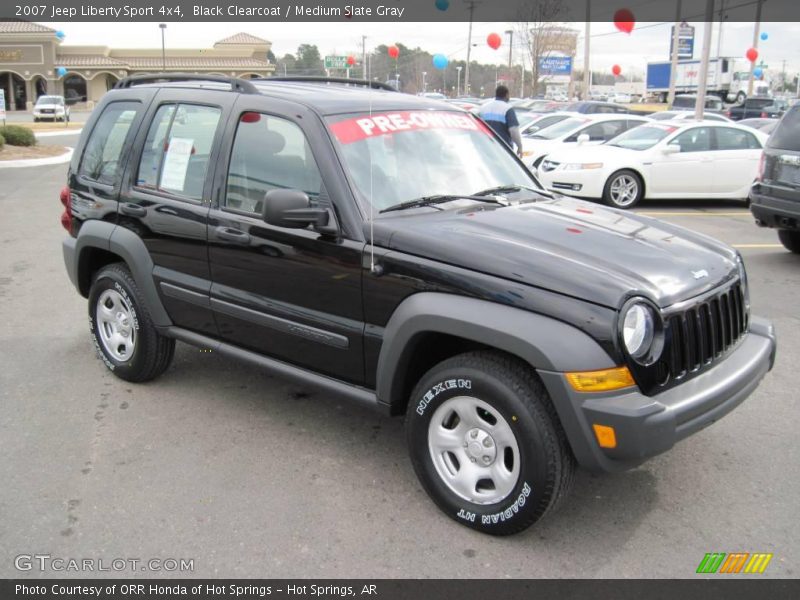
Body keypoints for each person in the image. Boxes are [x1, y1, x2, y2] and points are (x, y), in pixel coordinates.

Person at [478, 85, 524, 157]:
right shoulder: (507, 109)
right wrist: (519, 146)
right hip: (503, 148)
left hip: (486, 147)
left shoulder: (484, 108)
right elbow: (513, 130)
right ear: (506, 95)